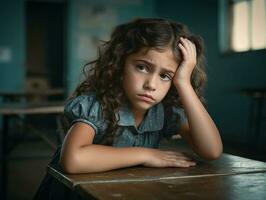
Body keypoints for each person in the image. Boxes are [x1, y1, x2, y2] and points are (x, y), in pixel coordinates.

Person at [34, 18, 223, 199]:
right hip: (72, 194)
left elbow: (211, 150)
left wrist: (184, 83)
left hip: (121, 191)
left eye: (165, 76)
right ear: (119, 65)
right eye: (142, 67)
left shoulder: (165, 111)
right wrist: (145, 154)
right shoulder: (99, 104)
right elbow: (73, 160)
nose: (151, 84)